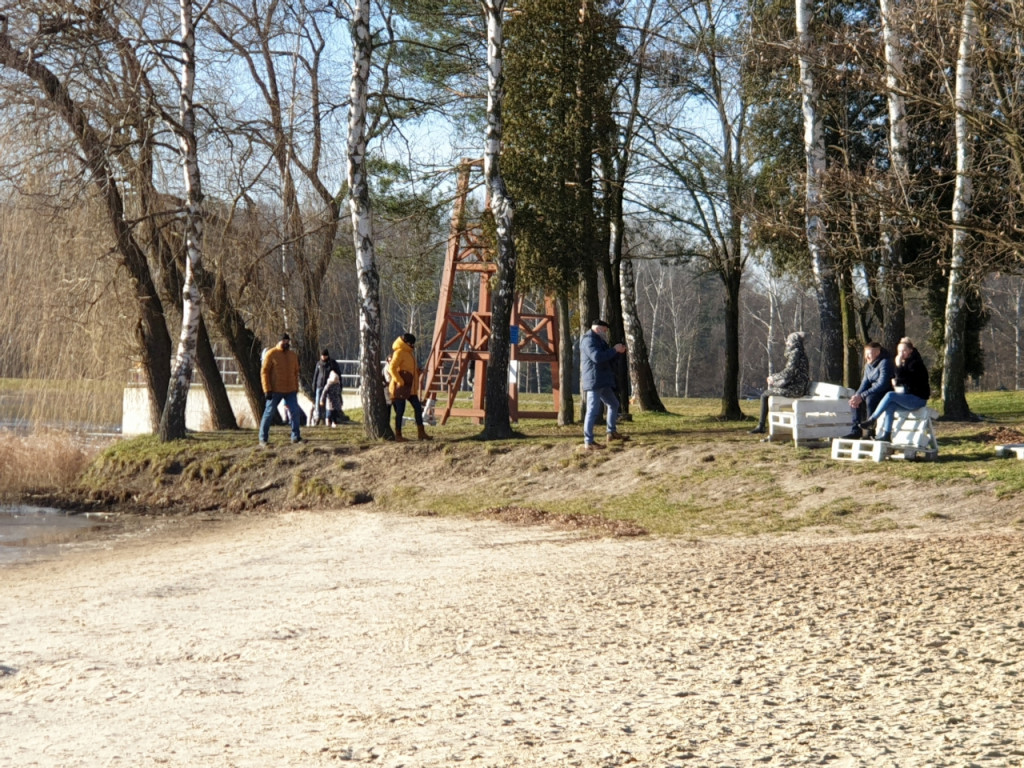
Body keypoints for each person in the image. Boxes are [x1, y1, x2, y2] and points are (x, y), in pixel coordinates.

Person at [865, 337, 931, 442]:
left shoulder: (915, 364)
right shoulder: (905, 362)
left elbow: (904, 379)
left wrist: (898, 366)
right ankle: (887, 435)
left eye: (904, 351)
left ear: (911, 351)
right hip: (908, 397)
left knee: (890, 395)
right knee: (890, 406)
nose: (901, 353)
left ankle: (872, 419)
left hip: (918, 399)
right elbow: (899, 379)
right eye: (899, 351)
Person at [581, 319, 629, 451]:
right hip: (594, 381)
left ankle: (611, 432)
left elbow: (607, 357)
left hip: (603, 380)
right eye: (605, 330)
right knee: (592, 410)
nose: (606, 333)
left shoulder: (599, 341)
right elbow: (597, 357)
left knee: (614, 404)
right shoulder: (588, 340)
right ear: (598, 329)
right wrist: (614, 349)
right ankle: (588, 441)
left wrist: (618, 352)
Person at [749, 331, 810, 435]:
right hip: (798, 387)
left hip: (795, 389)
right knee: (768, 394)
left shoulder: (795, 353)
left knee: (764, 395)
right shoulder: (800, 353)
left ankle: (761, 426)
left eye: (789, 341)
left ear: (793, 342)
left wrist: (773, 378)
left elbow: (788, 373)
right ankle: (761, 425)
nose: (787, 344)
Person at [841, 341, 894, 440]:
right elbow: (865, 383)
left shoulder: (885, 362)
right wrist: (857, 396)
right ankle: (855, 430)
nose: (866, 357)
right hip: (872, 391)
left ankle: (870, 432)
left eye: (869, 354)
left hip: (885, 393)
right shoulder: (868, 365)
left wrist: (863, 395)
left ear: (877, 353)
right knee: (855, 399)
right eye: (866, 354)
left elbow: (882, 384)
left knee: (870, 399)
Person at [259, 332, 303, 446]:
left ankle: (295, 436)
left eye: (288, 341)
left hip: (290, 390)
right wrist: (267, 389)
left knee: (295, 412)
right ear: (279, 341)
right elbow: (264, 372)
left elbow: (296, 372)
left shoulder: (293, 355)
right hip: (274, 390)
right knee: (269, 413)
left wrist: (296, 387)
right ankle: (263, 438)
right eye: (284, 341)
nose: (286, 343)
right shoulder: (271, 354)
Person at [388, 332, 432, 442]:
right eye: (412, 343)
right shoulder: (399, 352)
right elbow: (391, 368)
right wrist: (400, 381)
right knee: (400, 410)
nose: (413, 346)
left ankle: (421, 433)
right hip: (400, 388)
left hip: (411, 388)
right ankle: (398, 435)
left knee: (417, 408)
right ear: (407, 343)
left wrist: (418, 371)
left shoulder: (409, 353)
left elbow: (410, 369)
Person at [312, 348, 345, 426]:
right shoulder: (318, 364)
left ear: (327, 356)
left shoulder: (332, 363)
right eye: (322, 356)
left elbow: (338, 374)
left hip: (329, 386)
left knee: (329, 404)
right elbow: (315, 375)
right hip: (320, 385)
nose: (323, 357)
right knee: (318, 402)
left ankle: (329, 419)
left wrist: (339, 384)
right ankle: (318, 418)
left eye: (324, 356)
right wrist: (314, 384)